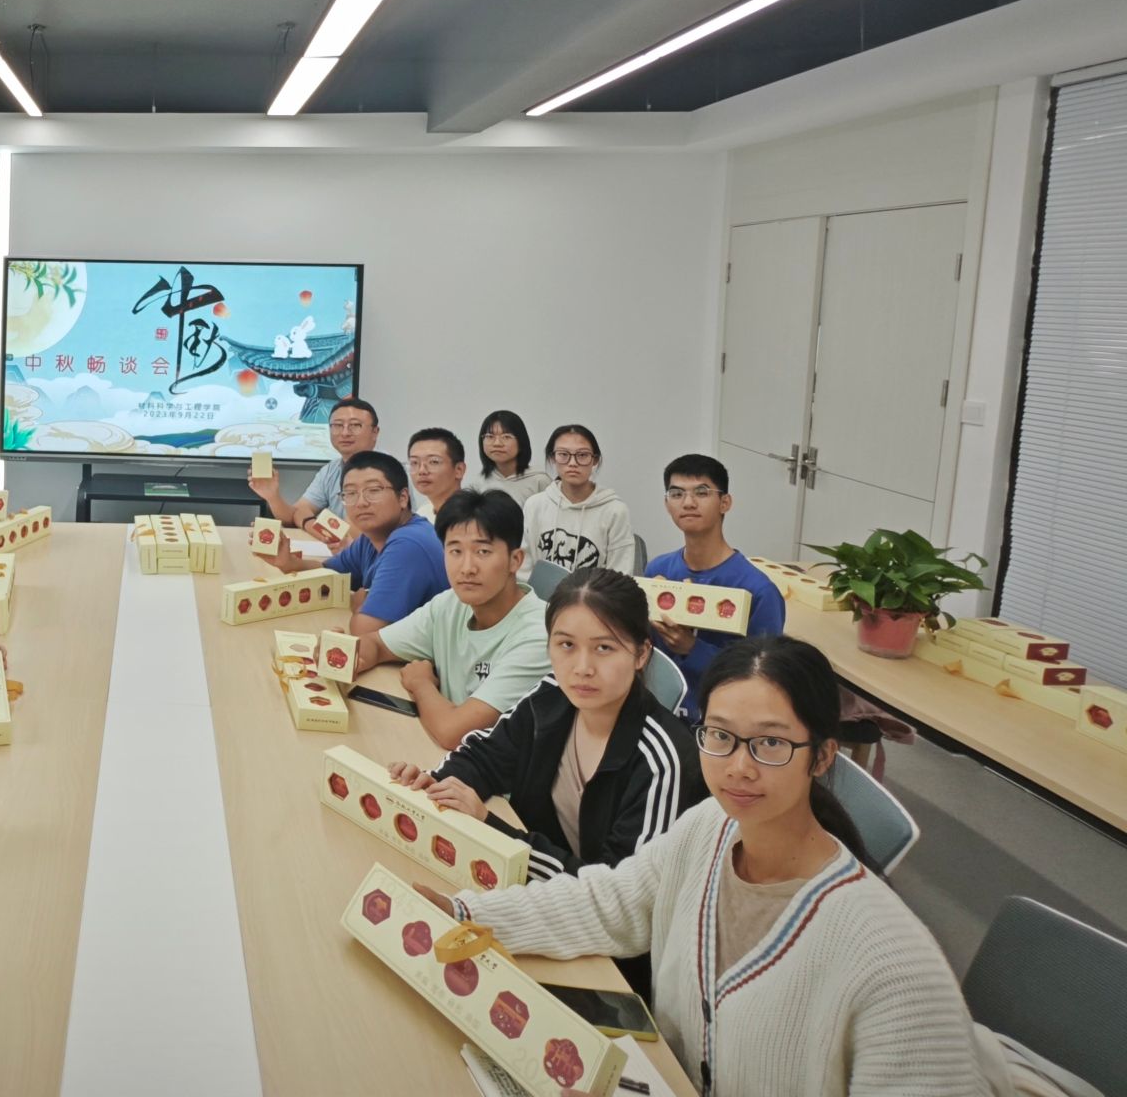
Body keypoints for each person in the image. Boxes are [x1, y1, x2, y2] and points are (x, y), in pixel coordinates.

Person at [427, 638, 1011, 1097]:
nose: (739, 768)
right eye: (720, 737)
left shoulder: (893, 965)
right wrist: (464, 914)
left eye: (771, 744)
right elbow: (609, 902)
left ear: (822, 756)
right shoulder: (710, 827)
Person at [390, 568, 704, 881]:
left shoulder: (663, 762)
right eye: (566, 645)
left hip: (589, 906)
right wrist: (434, 784)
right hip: (531, 885)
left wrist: (491, 829)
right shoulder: (554, 694)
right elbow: (485, 757)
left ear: (641, 654)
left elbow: (620, 892)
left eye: (604, 648)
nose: (582, 668)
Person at [349, 489, 552, 753]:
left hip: (491, 773)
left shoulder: (540, 635)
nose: (467, 568)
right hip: (443, 756)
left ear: (515, 560)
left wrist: (421, 683)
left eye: (483, 551)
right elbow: (375, 645)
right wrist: (344, 654)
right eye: (455, 551)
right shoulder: (450, 604)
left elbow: (454, 733)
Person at [644, 454, 788, 716]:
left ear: (725, 502)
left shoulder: (758, 591)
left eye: (702, 492)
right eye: (676, 494)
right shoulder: (658, 571)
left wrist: (692, 647)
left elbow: (764, 679)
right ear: (667, 504)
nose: (688, 502)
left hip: (721, 721)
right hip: (659, 713)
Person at [267, 451, 446, 632]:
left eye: (373, 491)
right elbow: (330, 574)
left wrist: (357, 605)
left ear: (403, 498)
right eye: (350, 493)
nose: (361, 503)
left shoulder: (408, 545)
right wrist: (289, 563)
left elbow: (366, 631)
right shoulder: (372, 537)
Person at [247, 395, 380, 534]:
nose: (345, 433)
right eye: (338, 425)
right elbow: (295, 515)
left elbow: (358, 535)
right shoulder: (331, 470)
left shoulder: (385, 472)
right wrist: (272, 496)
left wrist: (307, 522)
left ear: (375, 432)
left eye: (355, 425)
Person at [521, 423, 634, 581]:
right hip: (540, 596)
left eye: (582, 455)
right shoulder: (535, 505)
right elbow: (524, 568)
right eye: (563, 454)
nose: (572, 463)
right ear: (552, 458)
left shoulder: (614, 511)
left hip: (595, 596)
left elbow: (621, 573)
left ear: (595, 460)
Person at [471, 409, 551, 508]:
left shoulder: (540, 481)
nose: (497, 443)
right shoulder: (479, 482)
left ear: (521, 442)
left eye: (506, 437)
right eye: (490, 436)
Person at [407, 427, 470, 520]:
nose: (422, 471)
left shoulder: (476, 516)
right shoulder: (422, 514)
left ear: (459, 470)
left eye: (434, 462)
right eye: (414, 462)